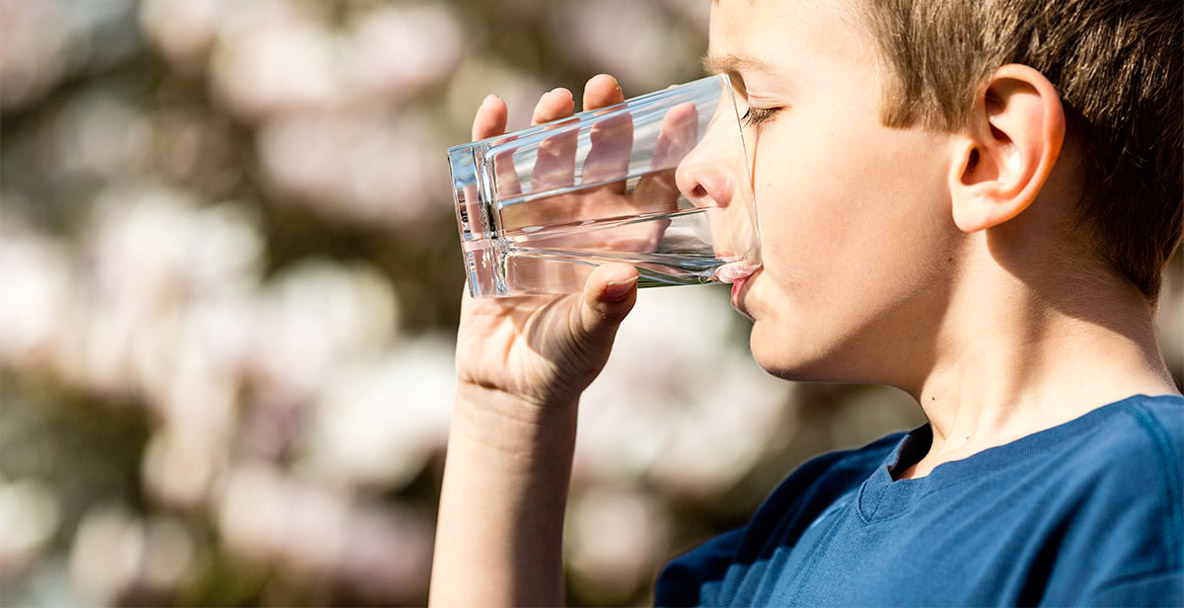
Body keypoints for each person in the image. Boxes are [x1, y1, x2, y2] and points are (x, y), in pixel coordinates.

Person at [429, 0, 1184, 605]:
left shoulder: (1141, 503)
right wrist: (505, 414)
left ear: (992, 152)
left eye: (756, 108)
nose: (693, 166)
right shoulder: (792, 532)